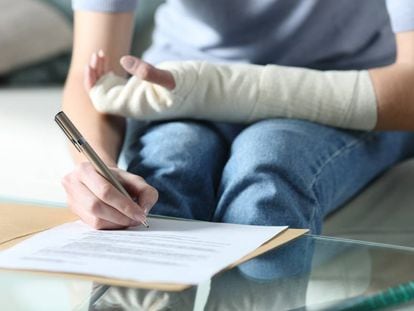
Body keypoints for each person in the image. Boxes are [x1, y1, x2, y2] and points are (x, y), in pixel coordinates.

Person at [63, 0, 414, 232]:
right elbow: (94, 73)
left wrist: (215, 88)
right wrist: (97, 166)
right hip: (174, 88)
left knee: (267, 179)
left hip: (354, 85)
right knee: (159, 184)